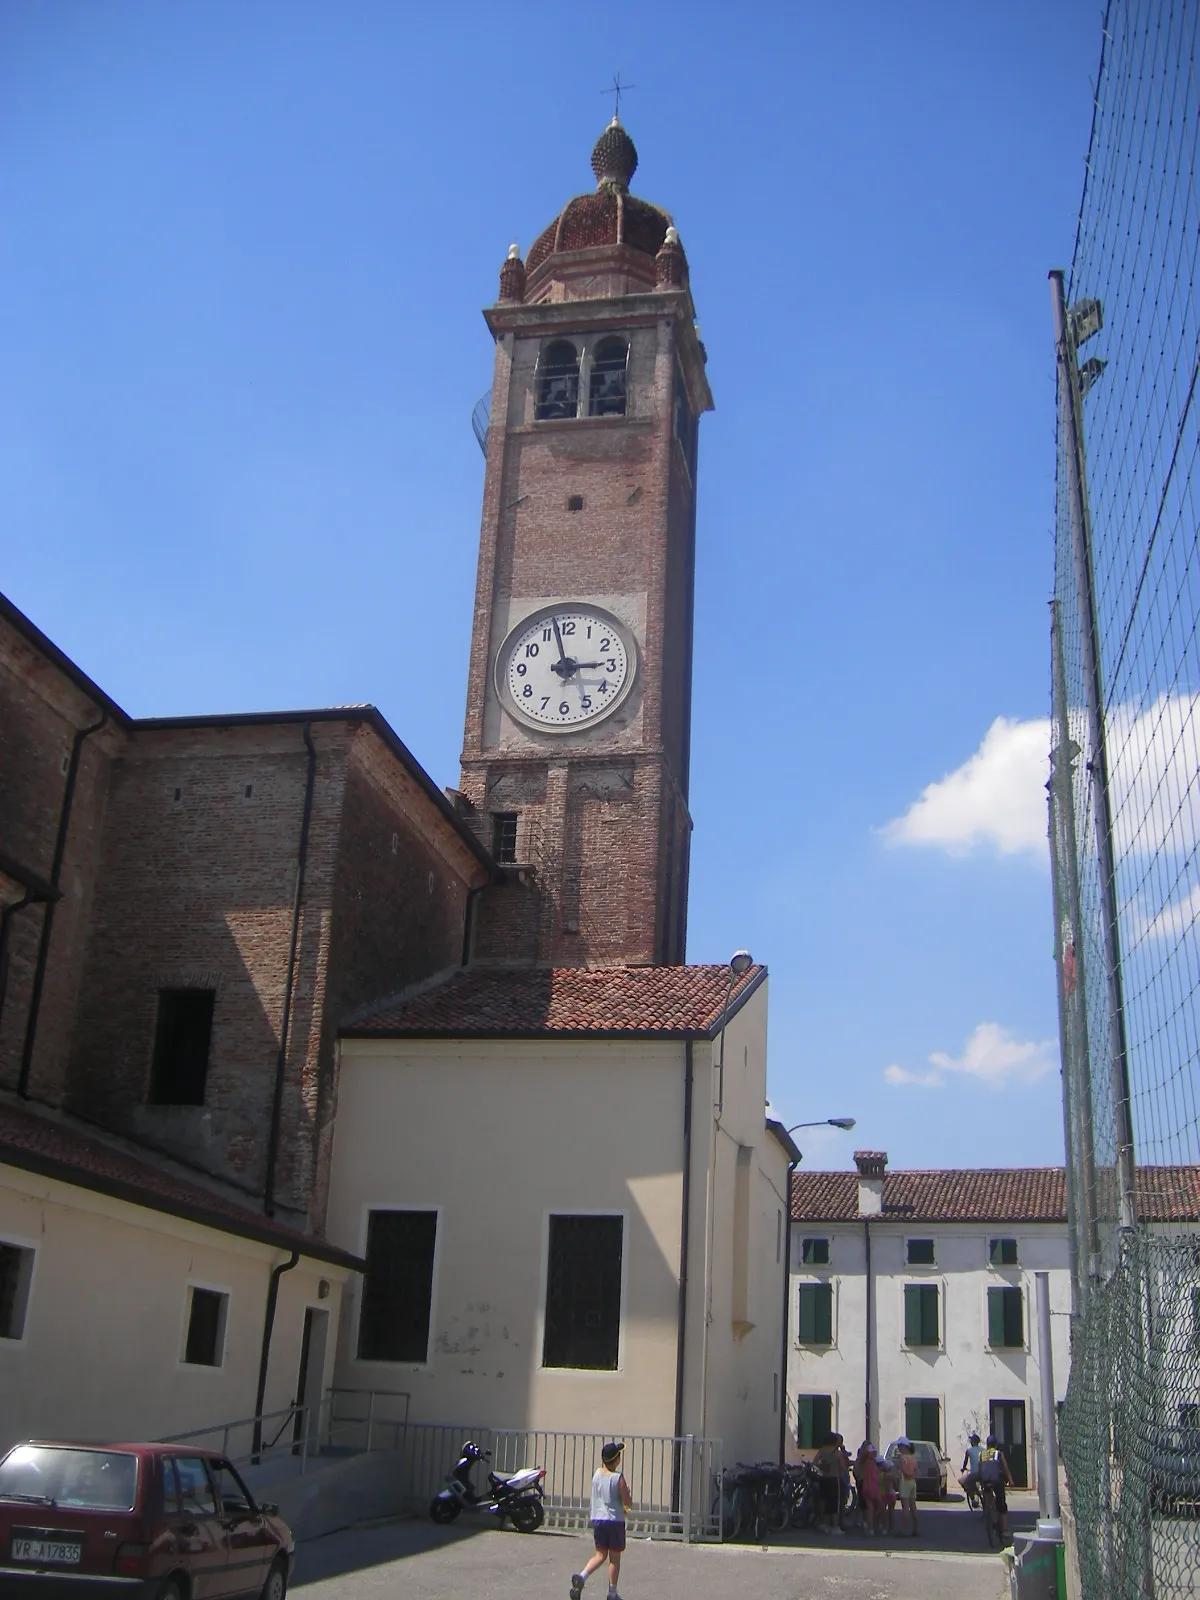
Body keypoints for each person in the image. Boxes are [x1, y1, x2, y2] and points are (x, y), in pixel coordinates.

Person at [571, 1442, 632, 1600]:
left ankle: (582, 1577)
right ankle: (612, 1593)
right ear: (616, 1460)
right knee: (615, 1558)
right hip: (614, 1521)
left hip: (598, 1519)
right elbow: (627, 1500)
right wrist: (627, 1507)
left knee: (600, 1555)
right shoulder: (618, 1478)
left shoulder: (597, 1474)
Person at [978, 1434, 1015, 1543]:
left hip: (985, 1480)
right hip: (997, 1480)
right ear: (996, 1444)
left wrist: (981, 1482)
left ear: (987, 1444)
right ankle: (1004, 1530)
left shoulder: (982, 1454)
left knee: (989, 1499)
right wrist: (1010, 1480)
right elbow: (1005, 1468)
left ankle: (991, 1515)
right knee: (1001, 1505)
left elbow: (980, 1469)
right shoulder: (998, 1453)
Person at [813, 1432, 845, 1536]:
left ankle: (824, 1524)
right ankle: (835, 1527)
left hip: (823, 1478)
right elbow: (843, 1466)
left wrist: (822, 1466)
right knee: (834, 1504)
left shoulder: (822, 1450)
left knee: (824, 1502)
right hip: (834, 1479)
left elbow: (814, 1463)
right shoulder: (838, 1453)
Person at [855, 1441, 881, 1536]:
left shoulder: (865, 1460)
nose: (875, 1453)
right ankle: (871, 1527)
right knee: (873, 1507)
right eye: (873, 1451)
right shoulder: (869, 1461)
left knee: (870, 1507)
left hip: (867, 1485)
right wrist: (870, 1488)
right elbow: (868, 1476)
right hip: (870, 1486)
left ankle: (870, 1526)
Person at [895, 1438, 920, 1536]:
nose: (898, 1448)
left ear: (904, 1447)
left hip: (905, 1482)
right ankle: (916, 1529)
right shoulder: (913, 1457)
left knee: (905, 1507)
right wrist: (912, 1475)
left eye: (899, 1446)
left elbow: (904, 1471)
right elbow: (917, 1471)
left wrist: (908, 1475)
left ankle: (903, 1530)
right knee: (913, 1506)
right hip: (912, 1483)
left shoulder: (903, 1458)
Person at [960, 1432, 983, 1505]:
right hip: (983, 1473)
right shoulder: (983, 1450)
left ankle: (973, 1499)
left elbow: (965, 1462)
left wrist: (963, 1468)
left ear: (972, 1442)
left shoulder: (969, 1451)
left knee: (963, 1482)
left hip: (974, 1474)